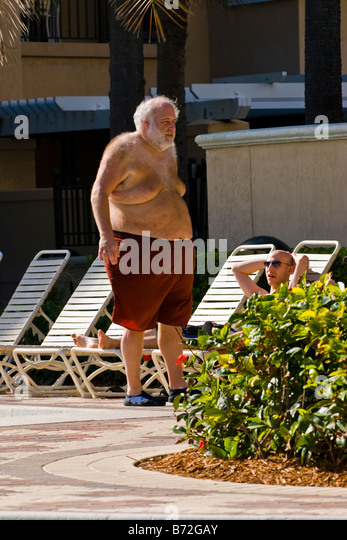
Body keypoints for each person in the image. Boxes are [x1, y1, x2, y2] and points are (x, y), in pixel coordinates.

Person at [87, 95, 194, 407]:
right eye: (166, 122)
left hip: (178, 249)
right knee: (136, 323)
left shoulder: (166, 153)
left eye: (174, 122)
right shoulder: (124, 148)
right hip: (137, 247)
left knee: (173, 322)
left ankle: (177, 387)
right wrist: (105, 236)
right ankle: (134, 391)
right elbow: (98, 191)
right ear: (146, 123)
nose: (173, 127)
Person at [231, 249, 310, 298]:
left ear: (290, 270)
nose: (269, 268)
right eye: (267, 264)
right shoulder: (261, 296)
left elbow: (302, 260)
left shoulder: (291, 293)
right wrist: (271, 259)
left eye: (276, 264)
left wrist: (291, 256)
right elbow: (236, 268)